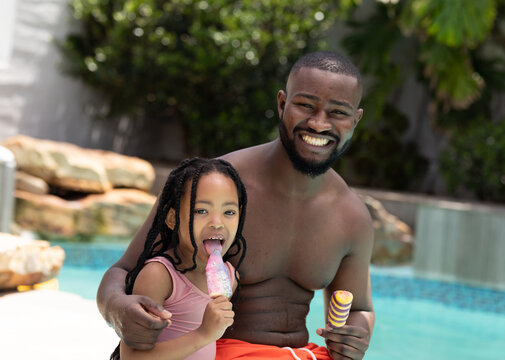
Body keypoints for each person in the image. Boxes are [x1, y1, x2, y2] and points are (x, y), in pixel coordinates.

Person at [98, 51, 375, 360]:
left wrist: (355, 336)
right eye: (306, 105)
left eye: (338, 112)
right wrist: (116, 309)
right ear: (282, 104)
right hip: (214, 351)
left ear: (355, 119)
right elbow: (124, 270)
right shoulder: (212, 187)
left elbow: (360, 308)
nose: (319, 124)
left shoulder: (352, 217)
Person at [110, 157, 248, 360]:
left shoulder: (230, 276)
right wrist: (204, 334)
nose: (217, 223)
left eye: (229, 212)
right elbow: (133, 357)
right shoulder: (159, 276)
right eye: (201, 210)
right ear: (173, 219)